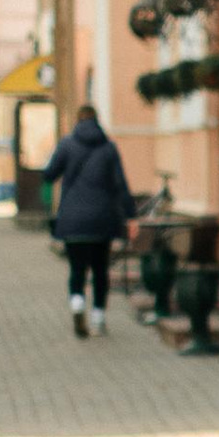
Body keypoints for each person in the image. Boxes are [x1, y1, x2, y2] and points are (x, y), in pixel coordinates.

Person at [41, 105, 136, 335]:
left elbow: (49, 175)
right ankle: (98, 319)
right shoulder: (109, 147)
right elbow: (120, 184)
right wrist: (131, 216)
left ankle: (77, 306)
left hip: (73, 220)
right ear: (97, 120)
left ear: (77, 120)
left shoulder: (66, 144)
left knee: (77, 270)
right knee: (100, 271)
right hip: (102, 220)